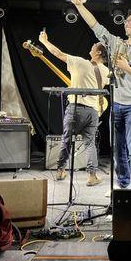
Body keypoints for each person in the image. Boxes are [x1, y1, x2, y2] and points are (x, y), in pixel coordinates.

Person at [71, 0, 131, 189]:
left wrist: (128, 68)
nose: (126, 22)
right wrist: (79, 6)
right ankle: (123, 184)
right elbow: (95, 26)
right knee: (118, 150)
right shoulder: (116, 43)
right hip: (117, 104)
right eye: (126, 20)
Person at [38, 31, 109, 186]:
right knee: (90, 144)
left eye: (94, 46)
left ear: (98, 52)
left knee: (67, 140)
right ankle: (92, 176)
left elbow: (57, 53)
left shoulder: (80, 62)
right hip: (93, 112)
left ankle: (60, 170)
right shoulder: (106, 71)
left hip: (76, 109)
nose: (91, 46)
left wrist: (44, 41)